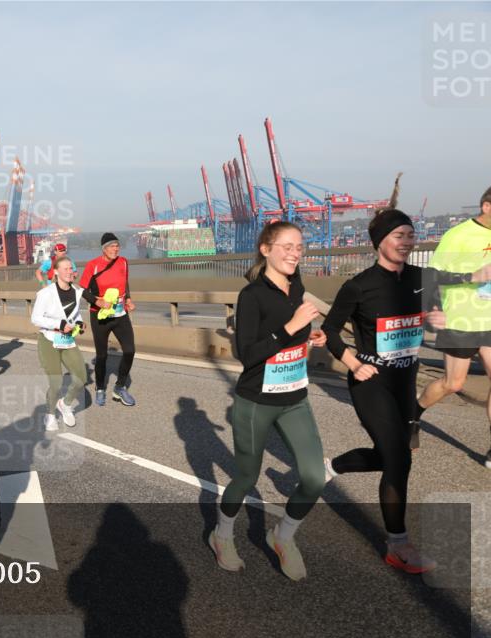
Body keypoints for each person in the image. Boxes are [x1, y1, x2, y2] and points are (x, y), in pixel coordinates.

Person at [320, 203, 471, 574]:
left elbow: (460, 278)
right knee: (399, 460)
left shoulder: (421, 276)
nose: (406, 242)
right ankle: (397, 545)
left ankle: (329, 466)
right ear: (379, 242)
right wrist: (355, 364)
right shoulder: (358, 286)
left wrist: (436, 312)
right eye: (398, 236)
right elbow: (329, 333)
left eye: (410, 235)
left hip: (405, 383)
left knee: (393, 456)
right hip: (371, 383)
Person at [210, 222, 328, 581]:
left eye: (299, 247)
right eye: (287, 246)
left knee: (314, 478)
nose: (295, 253)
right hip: (257, 400)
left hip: (294, 397)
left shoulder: (297, 287)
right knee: (246, 476)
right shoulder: (252, 295)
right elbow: (248, 353)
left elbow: (294, 335)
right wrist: (291, 328)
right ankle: (222, 535)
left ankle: (282, 536)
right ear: (266, 249)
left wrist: (311, 337)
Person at [413, 186, 491, 467]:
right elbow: (430, 276)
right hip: (461, 318)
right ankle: (413, 413)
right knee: (453, 383)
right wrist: (471, 276)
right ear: (486, 207)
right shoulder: (458, 236)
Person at [79, 233, 137, 407]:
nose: (116, 249)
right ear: (104, 248)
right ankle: (100, 388)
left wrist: (128, 299)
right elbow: (82, 290)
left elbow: (125, 282)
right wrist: (97, 301)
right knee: (102, 355)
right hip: (100, 316)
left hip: (120, 314)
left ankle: (119, 388)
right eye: (112, 246)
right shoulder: (93, 265)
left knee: (129, 351)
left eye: (117, 245)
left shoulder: (124, 262)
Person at [31, 256, 88, 431]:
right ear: (56, 272)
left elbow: (74, 315)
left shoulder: (77, 291)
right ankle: (50, 414)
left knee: (81, 379)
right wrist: (59, 325)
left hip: (68, 340)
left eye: (71, 268)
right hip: (49, 340)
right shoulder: (46, 293)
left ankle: (65, 403)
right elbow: (35, 318)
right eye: (66, 269)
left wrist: (79, 323)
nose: (70, 271)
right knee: (56, 382)